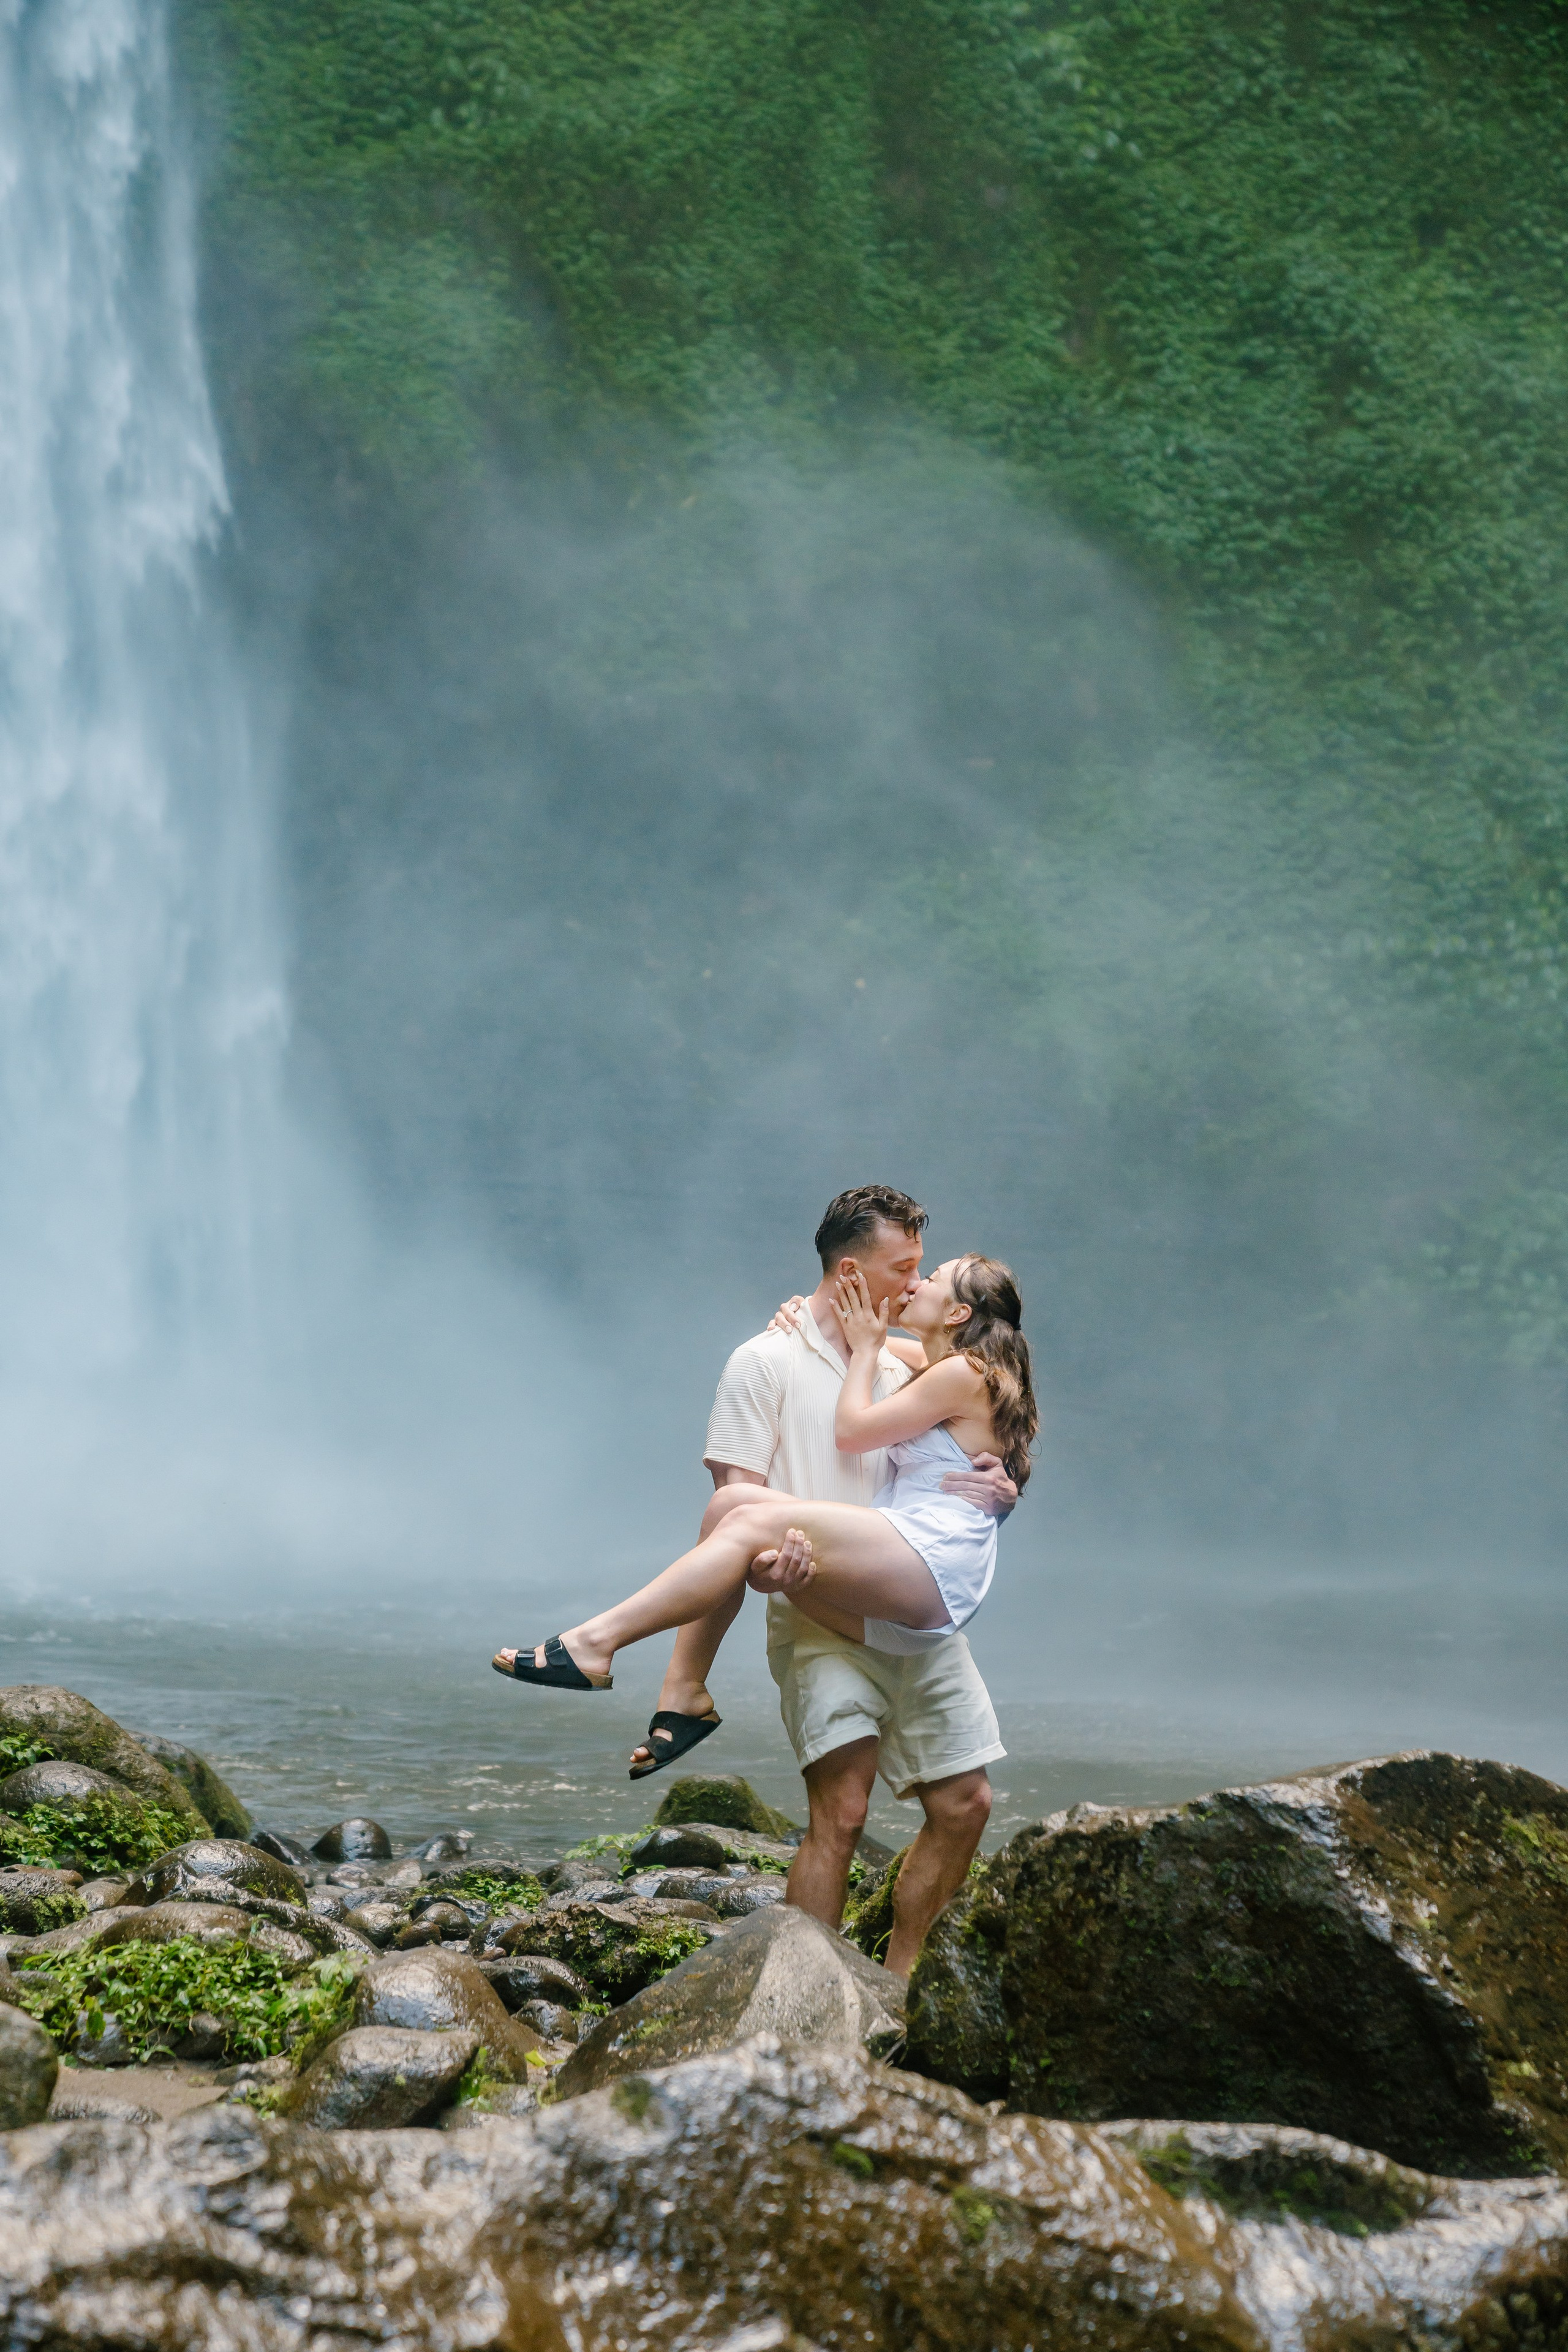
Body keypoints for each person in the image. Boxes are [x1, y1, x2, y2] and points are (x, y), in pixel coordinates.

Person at [493, 1185, 1036, 1975]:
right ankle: (801, 1990)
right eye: (904, 1267)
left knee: (967, 1805)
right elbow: (730, 1509)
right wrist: (766, 1571)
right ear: (852, 1271)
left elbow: (985, 1437)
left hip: (910, 1585)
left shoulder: (912, 1358)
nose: (914, 1282)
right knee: (841, 1813)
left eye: (925, 1271)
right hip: (817, 1604)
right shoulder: (765, 1359)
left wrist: (1007, 1488)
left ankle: (904, 1983)